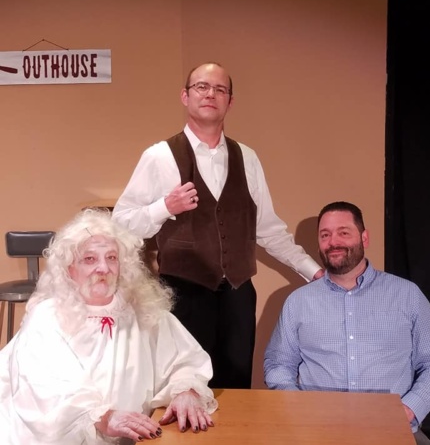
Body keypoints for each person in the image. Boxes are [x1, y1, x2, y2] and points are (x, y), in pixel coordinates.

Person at [112, 62, 323, 389]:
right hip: (181, 294)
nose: (210, 94)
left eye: (220, 89)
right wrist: (164, 207)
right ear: (185, 96)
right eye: (201, 86)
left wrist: (313, 271)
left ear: (230, 101)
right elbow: (121, 224)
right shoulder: (159, 156)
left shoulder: (247, 158)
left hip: (238, 295)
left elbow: (268, 230)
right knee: (185, 387)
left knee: (236, 388)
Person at [0, 209, 217, 445]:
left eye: (112, 258)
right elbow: (45, 389)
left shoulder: (143, 312)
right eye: (89, 259)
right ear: (69, 268)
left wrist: (186, 391)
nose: (103, 268)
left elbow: (185, 361)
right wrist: (101, 417)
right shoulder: (47, 317)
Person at [264, 201, 430, 445]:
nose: (333, 242)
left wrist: (408, 409)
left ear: (364, 238)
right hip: (317, 432)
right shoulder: (298, 302)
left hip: (392, 431)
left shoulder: (407, 295)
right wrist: (300, 407)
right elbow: (278, 364)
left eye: (343, 233)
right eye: (325, 235)